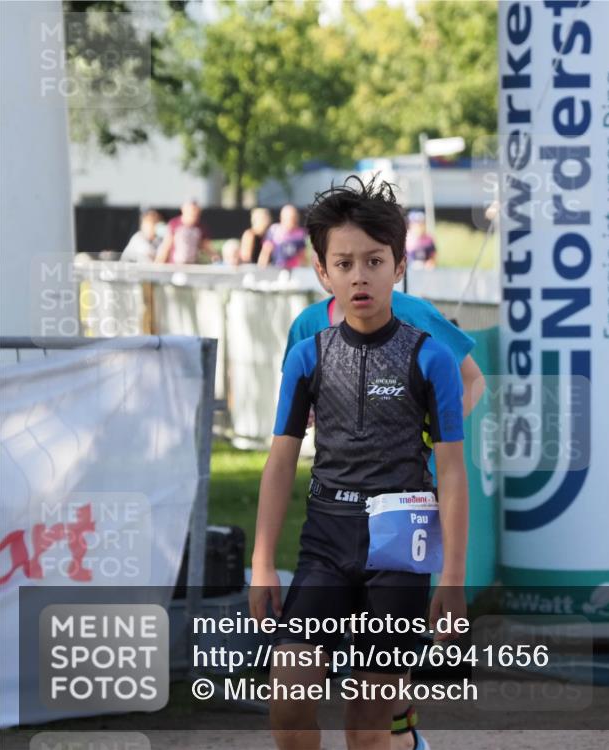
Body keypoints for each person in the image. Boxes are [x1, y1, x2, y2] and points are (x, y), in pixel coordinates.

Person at [249, 176, 469, 750]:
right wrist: (262, 561)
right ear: (322, 271)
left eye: (374, 261)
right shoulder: (307, 355)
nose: (359, 275)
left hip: (400, 546)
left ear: (399, 265)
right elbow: (279, 463)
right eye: (343, 263)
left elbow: (451, 471)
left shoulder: (432, 358)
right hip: (326, 540)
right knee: (289, 699)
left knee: (370, 721)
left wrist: (452, 578)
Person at [155, 200, 211, 264]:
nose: (194, 214)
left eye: (196, 212)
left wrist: (215, 257)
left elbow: (206, 246)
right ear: (184, 210)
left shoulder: (201, 227)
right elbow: (166, 246)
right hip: (176, 265)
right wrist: (158, 263)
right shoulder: (174, 224)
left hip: (192, 265)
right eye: (192, 211)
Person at [259, 204, 308, 269]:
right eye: (290, 218)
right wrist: (261, 269)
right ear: (282, 218)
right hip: (276, 269)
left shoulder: (300, 234)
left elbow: (302, 255)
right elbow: (265, 252)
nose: (293, 221)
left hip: (293, 270)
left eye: (294, 217)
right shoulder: (274, 230)